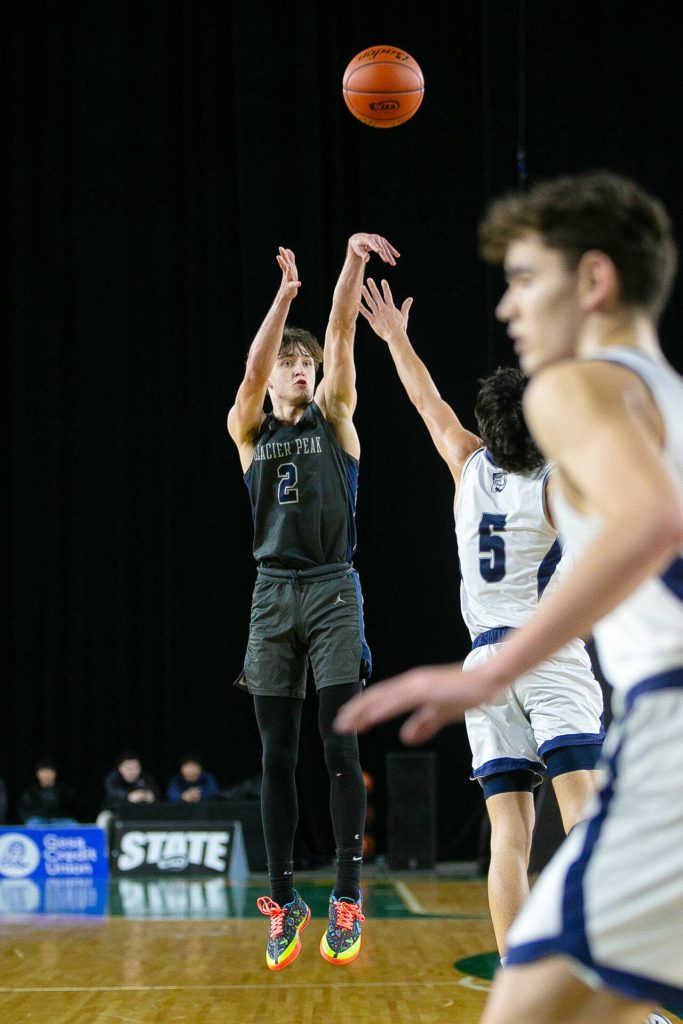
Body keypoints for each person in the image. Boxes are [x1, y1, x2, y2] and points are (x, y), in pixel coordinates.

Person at [337, 171, 683, 1024]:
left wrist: (486, 674)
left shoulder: (571, 393)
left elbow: (652, 521)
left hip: (570, 683)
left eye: (525, 278)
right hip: (610, 700)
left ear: (593, 282)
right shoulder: (656, 397)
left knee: (517, 843)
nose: (507, 306)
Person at [356, 277, 604, 958]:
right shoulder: (562, 482)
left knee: (509, 840)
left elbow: (425, 401)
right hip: (546, 657)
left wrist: (395, 338)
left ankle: (519, 987)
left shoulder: (467, 464)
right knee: (588, 827)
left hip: (482, 667)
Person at [228, 233, 399, 971]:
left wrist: (351, 264)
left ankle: (346, 893)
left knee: (336, 742)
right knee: (274, 754)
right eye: (287, 365)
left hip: (332, 587)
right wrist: (283, 296)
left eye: (306, 364)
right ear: (273, 379)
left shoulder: (335, 414)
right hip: (272, 593)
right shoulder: (247, 427)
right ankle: (284, 900)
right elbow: (251, 368)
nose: (298, 370)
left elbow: (338, 334)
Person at [18, 759, 79, 826]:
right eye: (43, 772)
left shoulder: (65, 790)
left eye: (49, 771)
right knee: (32, 823)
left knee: (72, 824)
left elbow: (73, 809)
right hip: (39, 821)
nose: (47, 775)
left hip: (60, 820)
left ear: (55, 773)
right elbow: (24, 811)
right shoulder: (31, 792)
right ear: (37, 774)